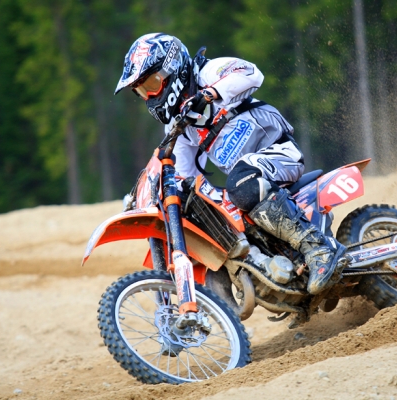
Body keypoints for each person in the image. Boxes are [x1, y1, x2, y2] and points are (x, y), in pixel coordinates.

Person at [115, 33, 348, 295]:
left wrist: (210, 93)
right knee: (208, 213)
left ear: (172, 68)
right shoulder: (178, 125)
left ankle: (320, 249)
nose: (149, 96)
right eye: (142, 91)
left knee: (241, 183)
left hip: (279, 154)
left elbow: (251, 73)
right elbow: (186, 175)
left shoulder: (208, 72)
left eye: (152, 84)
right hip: (250, 182)